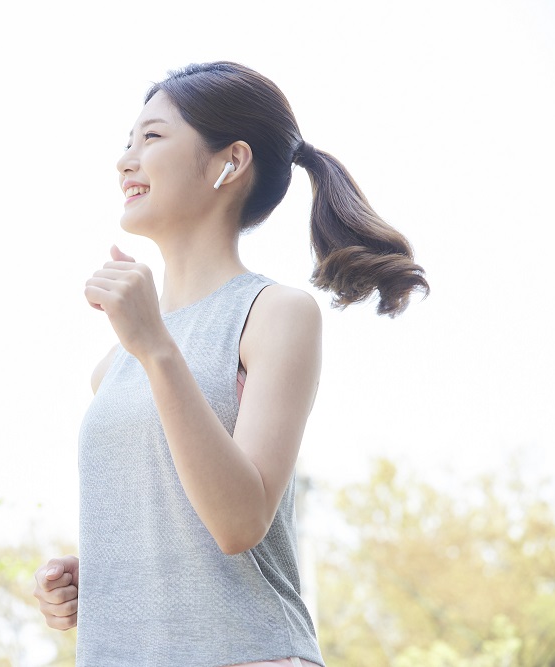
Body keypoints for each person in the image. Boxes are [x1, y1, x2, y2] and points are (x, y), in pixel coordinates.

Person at [31, 62, 428, 666]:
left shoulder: (275, 314)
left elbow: (240, 521)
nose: (125, 160)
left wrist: (157, 347)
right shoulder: (114, 362)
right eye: (127, 141)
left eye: (153, 137)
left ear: (231, 161)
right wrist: (105, 578)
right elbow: (183, 522)